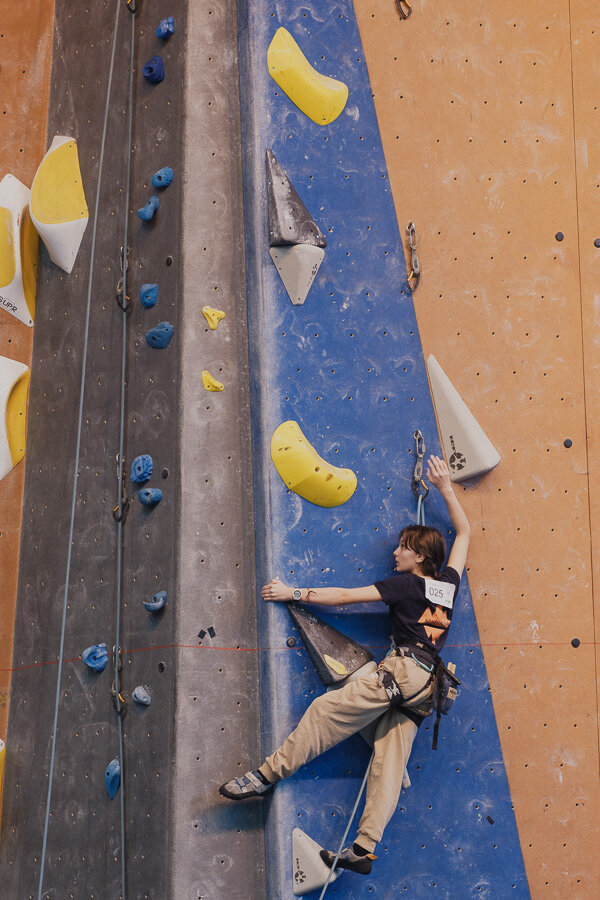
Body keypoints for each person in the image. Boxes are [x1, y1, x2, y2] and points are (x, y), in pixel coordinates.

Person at [219, 455, 470, 876]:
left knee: (324, 712)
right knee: (389, 764)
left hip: (404, 672)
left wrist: (292, 591)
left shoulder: (406, 583)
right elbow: (464, 532)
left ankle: (264, 777)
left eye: (403, 548)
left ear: (419, 556)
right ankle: (365, 848)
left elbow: (344, 597)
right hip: (429, 688)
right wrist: (444, 486)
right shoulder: (447, 585)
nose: (396, 552)